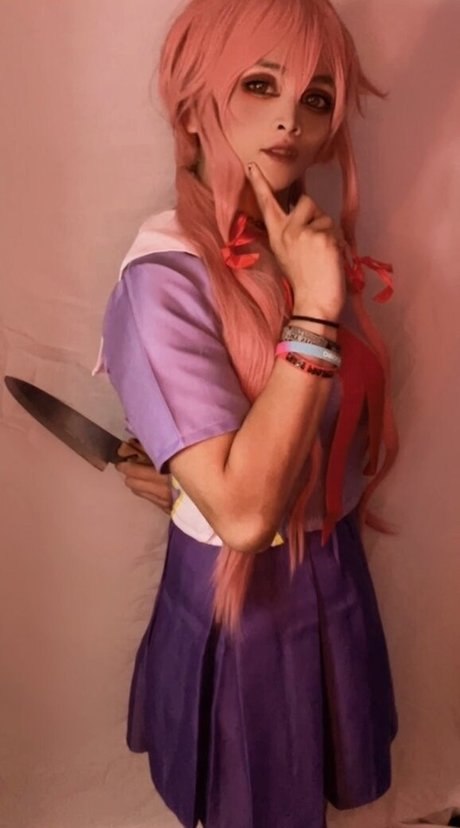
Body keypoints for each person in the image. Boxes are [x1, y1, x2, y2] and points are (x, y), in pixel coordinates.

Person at [92, 0, 400, 825]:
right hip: (244, 609)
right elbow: (243, 514)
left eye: (315, 98)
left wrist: (184, 472)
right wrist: (317, 313)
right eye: (260, 84)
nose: (290, 120)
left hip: (333, 573)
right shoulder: (163, 279)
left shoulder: (298, 250)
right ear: (194, 104)